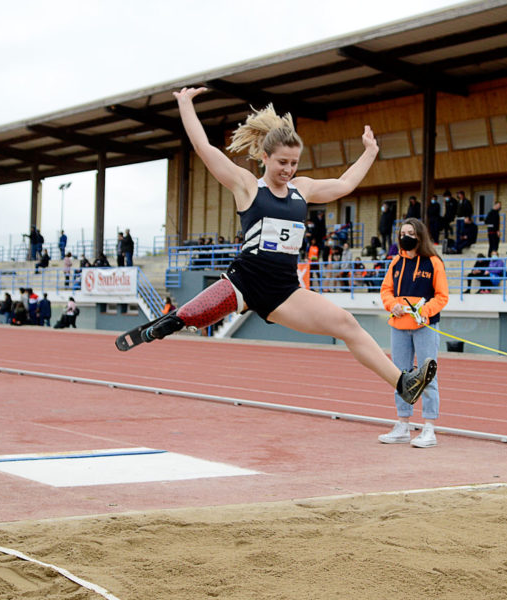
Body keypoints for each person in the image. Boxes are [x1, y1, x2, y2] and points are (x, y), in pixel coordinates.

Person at [117, 87, 436, 406]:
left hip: (283, 291)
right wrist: (185, 104)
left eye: (294, 163)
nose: (288, 169)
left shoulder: (302, 189)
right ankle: (166, 324)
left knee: (347, 324)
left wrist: (369, 152)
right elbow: (203, 148)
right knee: (187, 317)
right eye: (282, 162)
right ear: (265, 158)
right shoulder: (247, 186)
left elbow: (344, 184)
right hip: (243, 281)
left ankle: (403, 383)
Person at [378, 218, 449, 447]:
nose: (405, 237)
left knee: (427, 375)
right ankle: (403, 425)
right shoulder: (396, 262)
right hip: (399, 327)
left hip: (424, 326)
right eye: (402, 233)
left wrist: (425, 311)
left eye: (410, 233)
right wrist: (392, 306)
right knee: (400, 376)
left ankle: (429, 428)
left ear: (419, 236)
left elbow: (442, 296)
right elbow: (386, 290)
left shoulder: (433, 262)